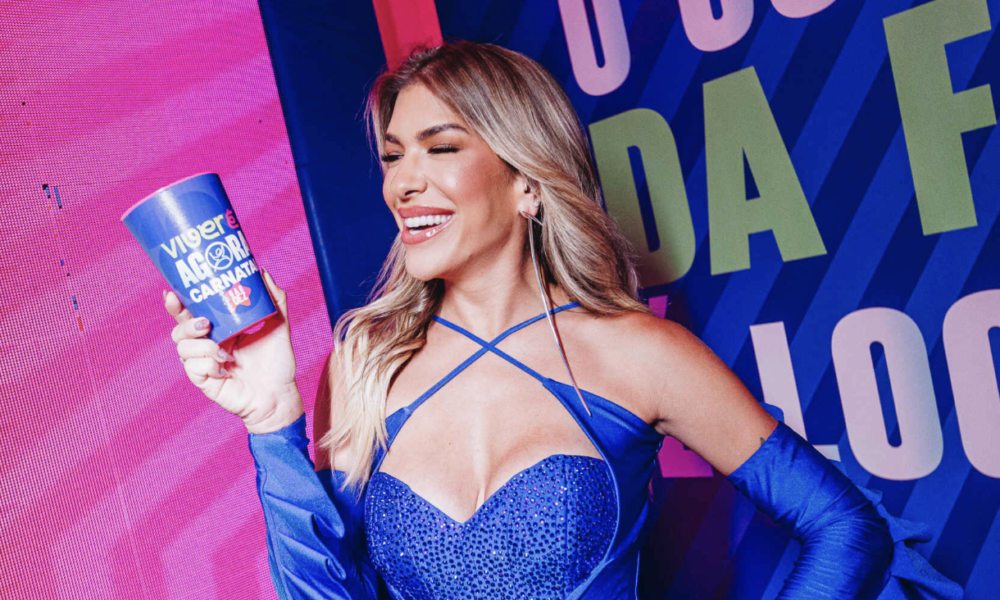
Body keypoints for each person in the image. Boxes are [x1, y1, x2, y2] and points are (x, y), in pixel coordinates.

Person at [164, 40, 960, 600]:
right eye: (394, 154)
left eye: (440, 148)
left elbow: (846, 527)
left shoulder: (638, 354)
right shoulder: (366, 362)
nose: (403, 182)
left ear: (526, 182)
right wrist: (272, 422)